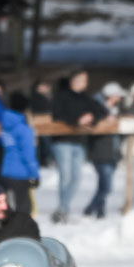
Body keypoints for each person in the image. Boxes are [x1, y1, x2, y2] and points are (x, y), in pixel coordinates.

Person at [50, 70, 97, 222]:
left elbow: (98, 110)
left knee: (77, 178)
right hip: (63, 141)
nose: (85, 83)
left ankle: (62, 208)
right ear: (74, 81)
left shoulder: (85, 98)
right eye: (83, 80)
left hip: (78, 142)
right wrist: (77, 120)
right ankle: (63, 209)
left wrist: (93, 118)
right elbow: (57, 115)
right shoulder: (61, 95)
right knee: (66, 177)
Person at [85, 82, 124, 217]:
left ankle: (100, 211)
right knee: (107, 187)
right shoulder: (96, 107)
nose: (119, 99)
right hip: (100, 151)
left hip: (113, 151)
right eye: (117, 96)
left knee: (103, 185)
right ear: (111, 96)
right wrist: (105, 119)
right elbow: (92, 122)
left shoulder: (116, 109)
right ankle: (90, 209)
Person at [1, 91, 41, 211]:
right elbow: (28, 155)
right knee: (24, 208)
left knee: (8, 208)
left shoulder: (6, 125)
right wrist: (35, 174)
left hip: (6, 170)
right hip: (21, 173)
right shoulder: (24, 130)